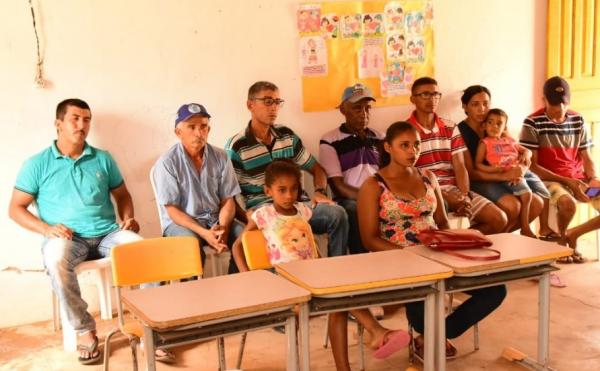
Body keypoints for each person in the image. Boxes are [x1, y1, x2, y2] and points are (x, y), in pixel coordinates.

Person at [231, 159, 410, 371]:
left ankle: (364, 346)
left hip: (312, 276)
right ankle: (376, 332)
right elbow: (237, 246)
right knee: (339, 298)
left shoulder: (302, 211)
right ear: (268, 191)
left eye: (294, 189)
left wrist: (323, 200)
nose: (289, 195)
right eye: (282, 190)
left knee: (341, 298)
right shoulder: (264, 215)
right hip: (287, 282)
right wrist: (247, 274)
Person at [8, 99, 142, 365]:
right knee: (57, 260)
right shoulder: (37, 164)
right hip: (67, 239)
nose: (82, 125)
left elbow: (122, 195)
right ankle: (84, 330)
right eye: (75, 119)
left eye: (87, 119)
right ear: (58, 124)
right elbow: (15, 209)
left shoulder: (103, 158)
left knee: (144, 251)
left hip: (107, 234)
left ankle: (147, 325)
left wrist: (128, 218)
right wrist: (46, 228)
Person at [357, 121, 506, 359]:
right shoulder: (373, 186)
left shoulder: (428, 177)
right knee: (422, 298)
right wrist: (411, 256)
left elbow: (443, 224)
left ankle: (431, 335)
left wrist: (455, 245)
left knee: (495, 290)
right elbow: (369, 239)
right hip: (399, 261)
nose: (412, 151)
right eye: (404, 145)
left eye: (416, 145)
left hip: (436, 254)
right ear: (388, 147)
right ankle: (430, 333)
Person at [225, 81, 349, 258]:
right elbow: (228, 195)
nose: (274, 107)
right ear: (250, 105)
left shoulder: (286, 136)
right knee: (259, 240)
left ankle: (335, 270)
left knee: (337, 214)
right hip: (265, 210)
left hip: (298, 207)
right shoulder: (237, 146)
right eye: (267, 101)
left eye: (277, 102)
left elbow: (317, 169)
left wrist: (320, 192)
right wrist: (247, 216)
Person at [406, 77, 507, 234]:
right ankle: (455, 242)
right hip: (426, 192)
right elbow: (408, 175)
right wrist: (444, 196)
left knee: (499, 219)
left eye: (435, 94)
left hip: (455, 189)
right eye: (425, 94)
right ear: (413, 99)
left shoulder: (450, 127)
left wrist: (464, 196)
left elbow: (460, 167)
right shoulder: (406, 130)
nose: (431, 99)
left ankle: (461, 241)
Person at [152, 103, 243, 274]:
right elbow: (172, 211)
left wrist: (223, 228)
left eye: (203, 127)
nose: (198, 132)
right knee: (189, 247)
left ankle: (236, 290)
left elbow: (227, 200)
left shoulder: (221, 157)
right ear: (178, 132)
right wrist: (204, 233)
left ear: (209, 130)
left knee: (246, 239)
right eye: (191, 127)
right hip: (182, 224)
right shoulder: (167, 163)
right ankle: (192, 298)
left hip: (215, 220)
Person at [520, 76, 600, 262]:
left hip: (579, 179)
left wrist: (593, 177)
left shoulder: (577, 119)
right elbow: (533, 167)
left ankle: (572, 234)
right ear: (544, 100)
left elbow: (586, 157)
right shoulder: (532, 123)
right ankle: (562, 243)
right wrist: (568, 182)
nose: (559, 112)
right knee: (567, 204)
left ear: (568, 101)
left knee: (596, 191)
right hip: (549, 180)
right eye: (554, 107)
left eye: (562, 107)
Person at [458, 85, 547, 234]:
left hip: (506, 177)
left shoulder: (496, 124)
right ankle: (493, 240)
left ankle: (502, 238)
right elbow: (471, 173)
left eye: (485, 104)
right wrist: (504, 175)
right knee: (513, 206)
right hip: (480, 180)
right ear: (465, 106)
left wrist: (522, 166)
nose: (482, 109)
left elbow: (517, 151)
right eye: (475, 104)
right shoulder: (460, 132)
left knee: (537, 202)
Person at [319, 84, 383, 254]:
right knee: (353, 210)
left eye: (367, 108)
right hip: (351, 198)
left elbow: (389, 174)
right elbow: (338, 186)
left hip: (381, 195)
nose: (364, 113)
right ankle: (361, 261)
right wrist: (369, 199)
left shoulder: (380, 137)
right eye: (357, 108)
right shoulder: (330, 140)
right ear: (343, 110)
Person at [475, 109, 550, 238]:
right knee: (527, 194)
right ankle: (525, 227)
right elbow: (478, 164)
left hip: (521, 172)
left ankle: (544, 228)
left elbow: (526, 151)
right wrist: (495, 170)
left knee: (545, 193)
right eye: (490, 122)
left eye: (499, 124)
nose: (494, 126)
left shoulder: (509, 140)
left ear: (504, 127)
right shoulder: (485, 143)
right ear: (484, 125)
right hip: (507, 174)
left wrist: (527, 153)